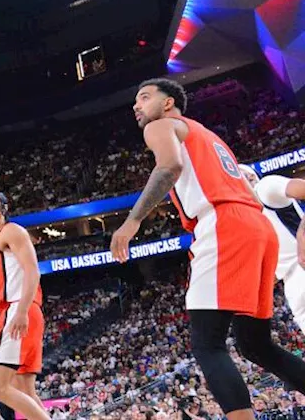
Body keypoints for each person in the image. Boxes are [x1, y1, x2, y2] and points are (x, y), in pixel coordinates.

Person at [111, 78, 305, 420]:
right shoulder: (208, 135)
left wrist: (132, 221)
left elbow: (169, 166)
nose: (136, 106)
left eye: (144, 97)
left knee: (207, 344)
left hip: (223, 223)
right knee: (255, 345)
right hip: (258, 227)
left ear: (168, 102)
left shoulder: (160, 126)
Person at [0, 189, 49, 420]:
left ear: (4, 207)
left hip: (19, 309)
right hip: (17, 310)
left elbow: (32, 271)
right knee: (25, 391)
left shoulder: (11, 231)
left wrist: (20, 311)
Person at [238, 165, 305, 333]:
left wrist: (302, 233)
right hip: (291, 282)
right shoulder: (244, 219)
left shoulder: (264, 187)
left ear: (251, 177)